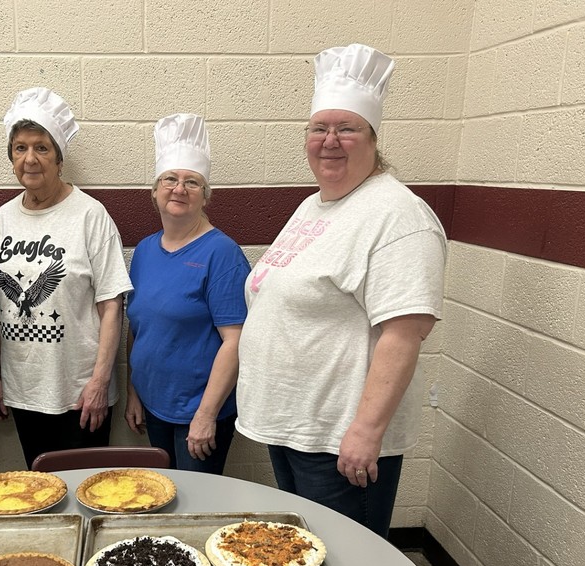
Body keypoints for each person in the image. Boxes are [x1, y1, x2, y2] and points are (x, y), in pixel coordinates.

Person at [236, 44, 447, 538]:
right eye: (319, 128)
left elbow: (404, 331)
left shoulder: (397, 215)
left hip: (340, 445)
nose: (330, 141)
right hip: (295, 430)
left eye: (346, 128)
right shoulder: (315, 206)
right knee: (306, 559)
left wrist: (366, 431)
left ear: (373, 138)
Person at [0, 87, 132, 470]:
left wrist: (99, 383)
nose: (30, 159)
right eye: (20, 148)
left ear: (59, 158)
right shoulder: (2, 219)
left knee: (87, 495)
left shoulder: (90, 216)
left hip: (79, 394)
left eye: (41, 148)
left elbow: (112, 304)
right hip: (24, 390)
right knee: (41, 493)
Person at [125, 114, 249, 473]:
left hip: (199, 411)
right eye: (170, 179)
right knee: (164, 495)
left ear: (205, 197)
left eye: (192, 182)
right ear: (154, 191)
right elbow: (137, 327)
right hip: (153, 403)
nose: (179, 189)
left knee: (195, 505)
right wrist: (134, 391)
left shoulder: (221, 254)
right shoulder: (145, 250)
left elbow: (235, 341)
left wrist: (206, 415)